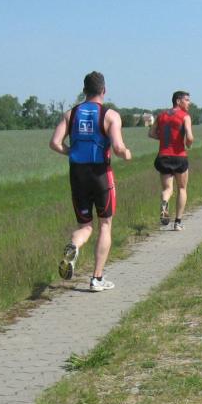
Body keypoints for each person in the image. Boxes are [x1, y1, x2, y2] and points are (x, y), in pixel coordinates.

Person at [49, 71, 131, 292]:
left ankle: (74, 246)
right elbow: (118, 147)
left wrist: (72, 152)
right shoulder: (110, 115)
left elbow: (55, 143)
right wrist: (126, 153)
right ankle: (97, 279)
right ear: (104, 90)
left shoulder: (70, 114)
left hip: (77, 174)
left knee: (85, 227)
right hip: (101, 174)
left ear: (84, 90)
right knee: (105, 224)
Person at [149, 90, 194, 230]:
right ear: (178, 101)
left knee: (167, 189)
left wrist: (163, 139)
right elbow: (190, 137)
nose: (189, 103)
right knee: (182, 188)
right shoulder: (185, 116)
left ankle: (164, 203)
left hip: (163, 157)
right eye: (187, 100)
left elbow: (151, 133)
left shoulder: (161, 115)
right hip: (179, 156)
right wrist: (188, 144)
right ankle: (178, 222)